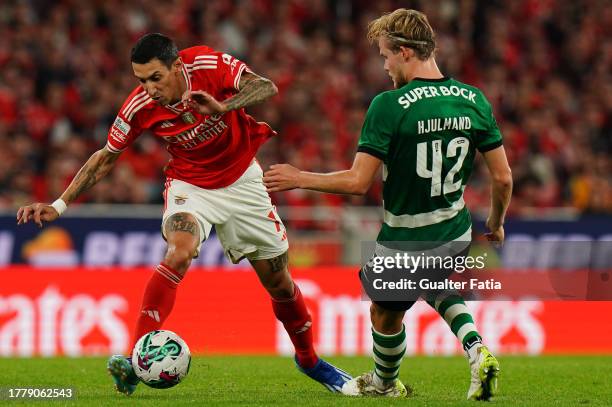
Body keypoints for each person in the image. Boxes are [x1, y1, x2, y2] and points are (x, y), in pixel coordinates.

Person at [16, 33, 351, 395]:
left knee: (280, 283)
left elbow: (265, 87)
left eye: (155, 78)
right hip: (190, 186)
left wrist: (224, 107)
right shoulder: (139, 107)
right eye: (141, 80)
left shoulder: (207, 66)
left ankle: (309, 360)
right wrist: (59, 204)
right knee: (179, 250)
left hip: (243, 180)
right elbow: (105, 158)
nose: (149, 88)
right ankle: (134, 360)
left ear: (177, 66)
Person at [263, 9, 512, 400]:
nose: (384, 65)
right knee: (433, 279)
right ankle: (477, 349)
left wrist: (299, 177)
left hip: (406, 238)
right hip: (457, 231)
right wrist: (496, 223)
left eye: (385, 55)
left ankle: (383, 384)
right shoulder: (473, 100)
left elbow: (358, 182)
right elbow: (503, 178)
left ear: (406, 52)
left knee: (384, 314)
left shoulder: (390, 105)